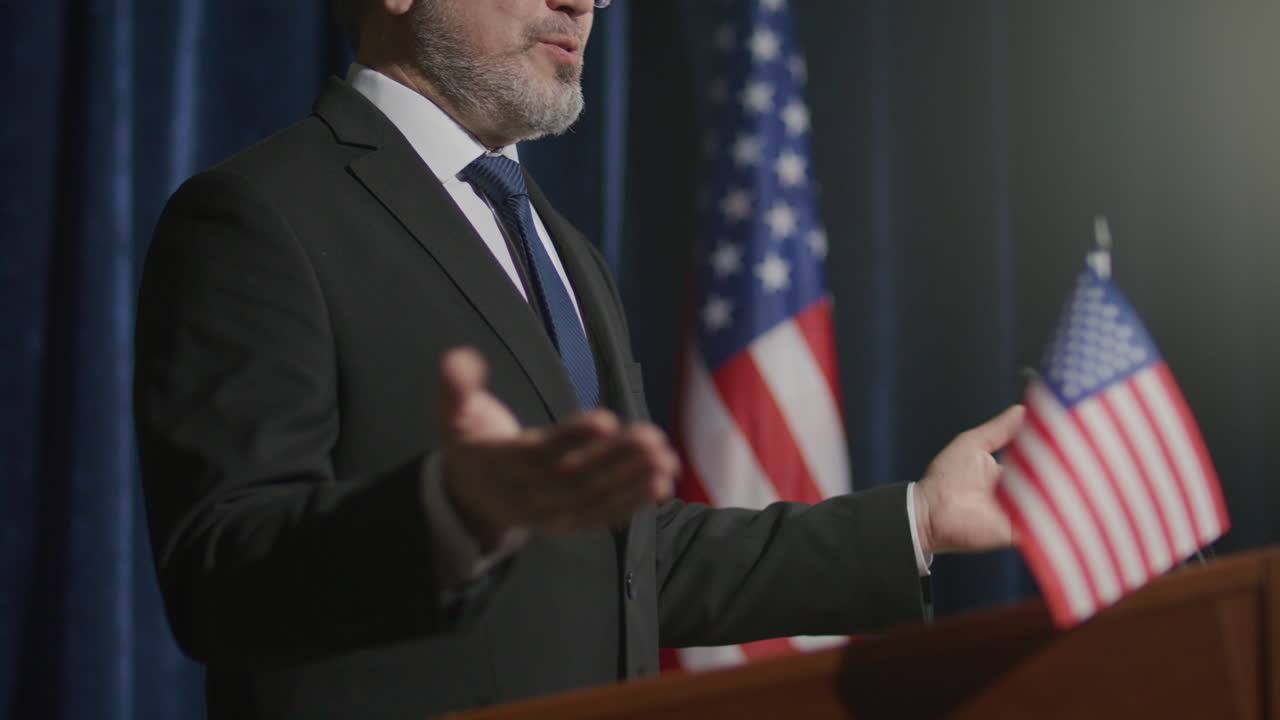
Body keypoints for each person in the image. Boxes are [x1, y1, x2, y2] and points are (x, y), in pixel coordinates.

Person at [133, 0, 1025, 718]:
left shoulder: (562, 246)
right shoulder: (260, 217)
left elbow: (633, 559)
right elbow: (225, 571)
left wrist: (917, 523)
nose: (584, 3)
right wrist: (446, 515)